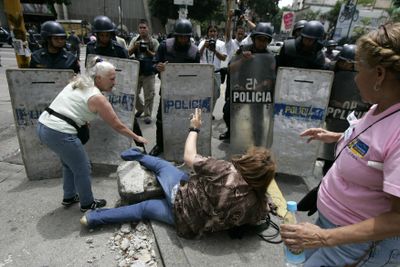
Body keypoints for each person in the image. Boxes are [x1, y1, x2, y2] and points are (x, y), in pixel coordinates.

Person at [281, 23, 400, 266]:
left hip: (352, 245)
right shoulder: (381, 107)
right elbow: (372, 149)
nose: (355, 79)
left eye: (359, 69)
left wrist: (324, 238)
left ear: (379, 74)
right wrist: (336, 137)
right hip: (332, 229)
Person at [80, 108, 276, 239]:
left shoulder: (225, 170)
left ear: (248, 163)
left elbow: (189, 156)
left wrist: (194, 128)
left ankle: (132, 153)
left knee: (162, 166)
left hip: (180, 198)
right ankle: (93, 219)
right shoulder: (259, 205)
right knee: (144, 209)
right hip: (190, 226)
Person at [36, 57, 148, 212]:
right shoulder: (97, 98)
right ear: (99, 78)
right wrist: (136, 137)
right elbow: (117, 125)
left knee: (69, 163)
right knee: (83, 167)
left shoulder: (77, 83)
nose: (114, 82)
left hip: (43, 126)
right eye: (112, 79)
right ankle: (87, 204)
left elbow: (73, 106)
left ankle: (69, 196)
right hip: (59, 132)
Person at [86, 15, 145, 151]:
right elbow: (89, 69)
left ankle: (142, 148)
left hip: (117, 87)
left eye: (107, 35)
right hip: (98, 90)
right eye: (102, 35)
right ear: (97, 35)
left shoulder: (119, 50)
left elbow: (128, 69)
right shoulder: (90, 48)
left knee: (129, 118)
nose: (105, 38)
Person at [149, 19, 200, 156]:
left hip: (186, 92)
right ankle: (160, 145)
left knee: (185, 118)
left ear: (189, 36)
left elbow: (198, 73)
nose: (183, 39)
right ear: (175, 35)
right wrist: (157, 67)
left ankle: (184, 144)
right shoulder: (165, 46)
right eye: (180, 36)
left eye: (186, 36)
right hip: (167, 90)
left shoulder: (195, 51)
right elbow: (153, 65)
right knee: (161, 119)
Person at [220, 22, 274, 141]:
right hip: (241, 90)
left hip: (258, 93)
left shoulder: (270, 57)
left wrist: (261, 86)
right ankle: (230, 131)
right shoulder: (243, 50)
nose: (261, 42)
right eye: (259, 39)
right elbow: (230, 69)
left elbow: (271, 79)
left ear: (268, 41)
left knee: (257, 120)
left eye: (265, 40)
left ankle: (257, 144)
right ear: (254, 38)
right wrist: (242, 60)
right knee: (228, 112)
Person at [128, 19, 159, 125]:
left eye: (144, 28)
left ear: (148, 29)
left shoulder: (153, 41)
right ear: (138, 29)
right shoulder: (134, 40)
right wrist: (135, 47)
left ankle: (147, 115)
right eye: (140, 28)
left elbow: (158, 55)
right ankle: (140, 108)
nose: (142, 30)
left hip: (149, 72)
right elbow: (127, 53)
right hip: (137, 71)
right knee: (133, 93)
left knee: (149, 95)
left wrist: (147, 51)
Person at [198, 25, 227, 115]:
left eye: (214, 31)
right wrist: (203, 46)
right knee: (204, 94)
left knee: (215, 95)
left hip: (216, 73)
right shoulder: (202, 42)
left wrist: (214, 50)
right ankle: (205, 113)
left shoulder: (221, 44)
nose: (212, 33)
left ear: (217, 33)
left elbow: (224, 58)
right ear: (208, 33)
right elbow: (197, 56)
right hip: (204, 73)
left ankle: (209, 112)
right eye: (210, 31)